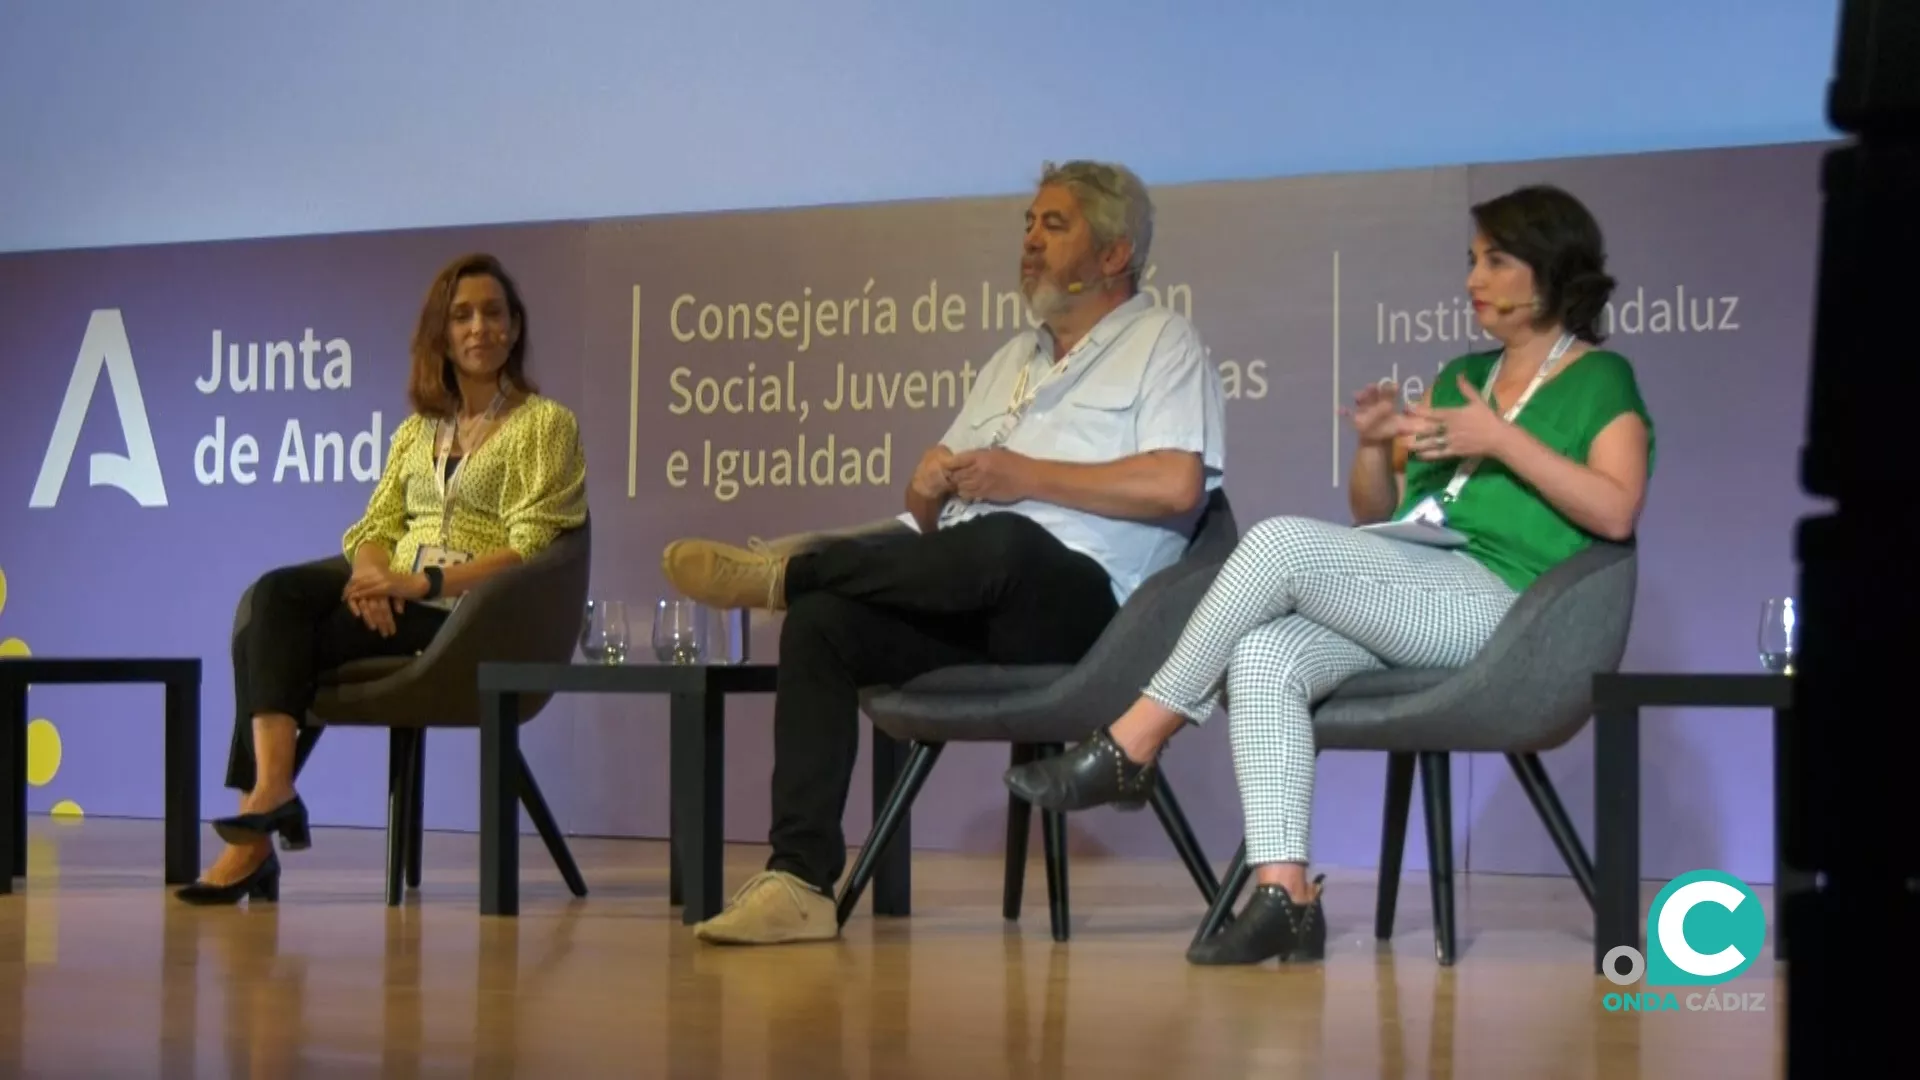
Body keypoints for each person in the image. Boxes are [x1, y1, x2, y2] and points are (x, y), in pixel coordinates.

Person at [1004, 183, 1655, 965]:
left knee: (1278, 543)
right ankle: (1286, 896)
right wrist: (1376, 447)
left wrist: (1501, 440)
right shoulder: (1462, 377)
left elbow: (1617, 510)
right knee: (1263, 654)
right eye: (1472, 261)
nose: (1472, 280)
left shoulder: (1600, 379)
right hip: (1417, 584)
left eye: (1495, 262)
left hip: (1506, 611)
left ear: (1549, 269)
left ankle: (1132, 743)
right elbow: (1375, 513)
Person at [660, 160, 1227, 945]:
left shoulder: (1164, 341)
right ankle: (799, 882)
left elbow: (1177, 484)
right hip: (977, 586)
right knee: (823, 625)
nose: (1029, 240)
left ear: (1113, 253)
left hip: (1092, 613)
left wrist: (1027, 476)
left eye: (1053, 224)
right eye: (1027, 224)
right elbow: (932, 523)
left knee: (1006, 538)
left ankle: (787, 570)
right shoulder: (1011, 361)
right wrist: (924, 488)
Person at [175, 253, 589, 905]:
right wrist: (371, 578)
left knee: (277, 644)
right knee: (273, 598)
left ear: (514, 327)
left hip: (469, 614)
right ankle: (271, 795)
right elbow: (375, 525)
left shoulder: (545, 425)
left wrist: (422, 584)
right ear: (441, 335)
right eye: (462, 316)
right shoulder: (417, 432)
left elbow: (530, 548)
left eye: (493, 313)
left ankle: (254, 833)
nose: (479, 327)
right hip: (399, 595)